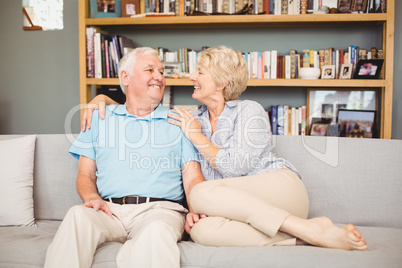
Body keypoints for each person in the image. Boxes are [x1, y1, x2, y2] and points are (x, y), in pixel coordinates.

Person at [84, 46, 368, 251]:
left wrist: (197, 137)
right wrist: (103, 100)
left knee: (203, 192)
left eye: (200, 72)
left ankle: (305, 224)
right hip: (236, 207)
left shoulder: (249, 111)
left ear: (221, 82)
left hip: (281, 190)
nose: (191, 77)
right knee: (201, 232)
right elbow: (139, 107)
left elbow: (235, 168)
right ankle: (305, 237)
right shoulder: (191, 119)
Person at [44, 47, 205, 268]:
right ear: (125, 77)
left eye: (161, 71)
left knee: (156, 232)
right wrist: (92, 197)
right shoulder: (99, 117)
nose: (159, 76)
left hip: (160, 211)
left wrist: (195, 211)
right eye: (150, 70)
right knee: (77, 215)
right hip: (109, 211)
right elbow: (85, 174)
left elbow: (193, 178)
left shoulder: (178, 121)